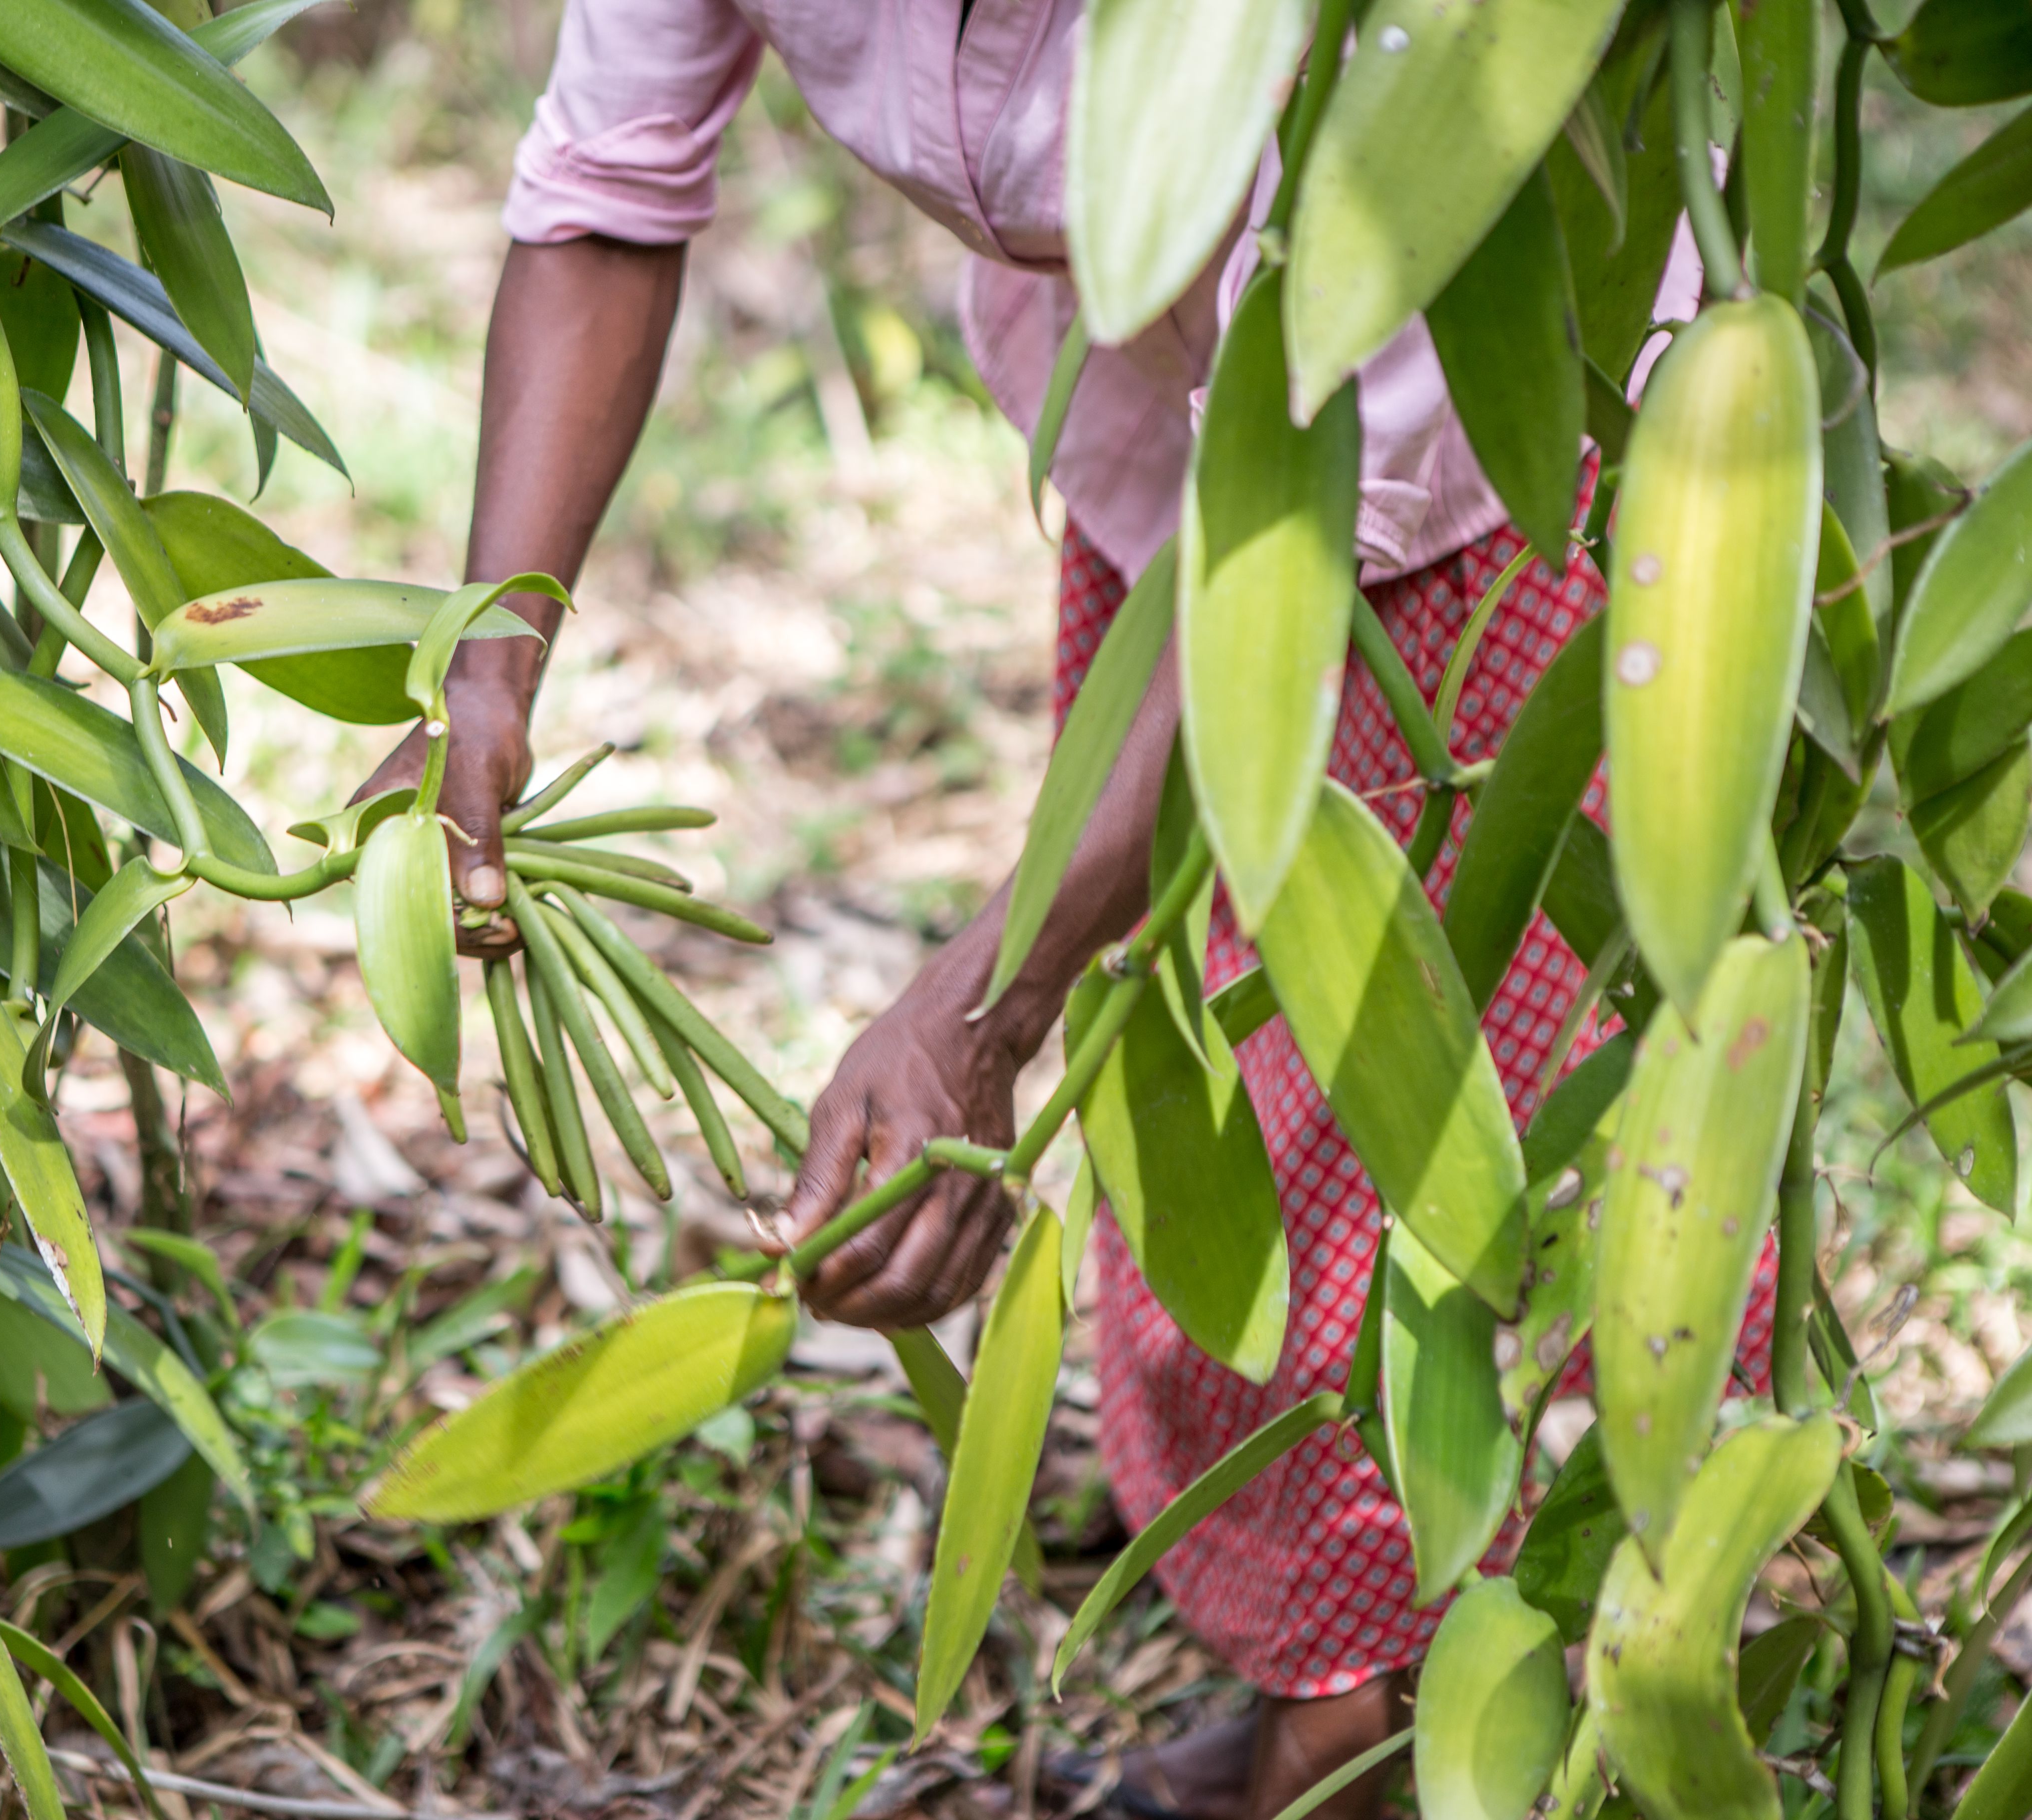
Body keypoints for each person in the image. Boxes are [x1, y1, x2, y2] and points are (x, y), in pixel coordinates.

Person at [358, 6, 1777, 1816]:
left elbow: (1315, 519)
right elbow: (606, 193)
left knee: (1414, 1138)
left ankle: (1466, 1693)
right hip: (1174, 421)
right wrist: (489, 655)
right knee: (1211, 1094)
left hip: (1493, 415)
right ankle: (1357, 1664)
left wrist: (992, 1000)